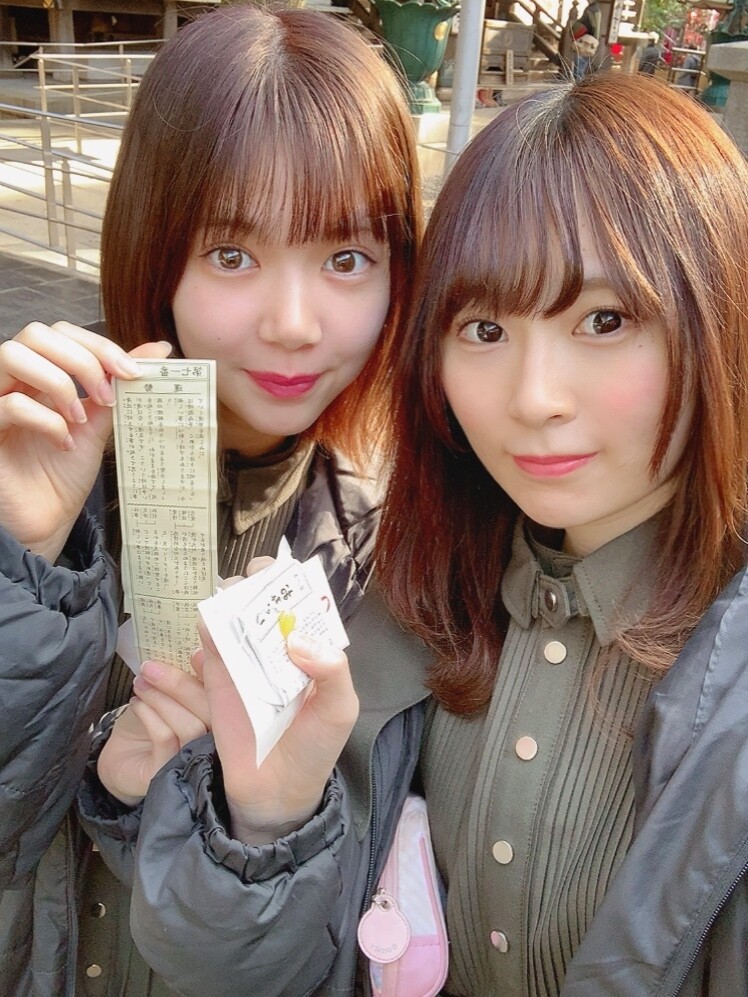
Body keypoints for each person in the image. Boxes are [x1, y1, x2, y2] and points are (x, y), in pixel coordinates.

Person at [85, 70, 748, 996]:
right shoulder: (405, 606)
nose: (534, 398)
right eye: (484, 329)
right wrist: (265, 824)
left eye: (604, 320)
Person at [0, 5, 422, 994]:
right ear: (158, 250)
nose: (293, 324)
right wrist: (20, 553)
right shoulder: (32, 451)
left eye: (347, 258)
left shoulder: (406, 537)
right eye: (232, 255)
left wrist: (241, 816)